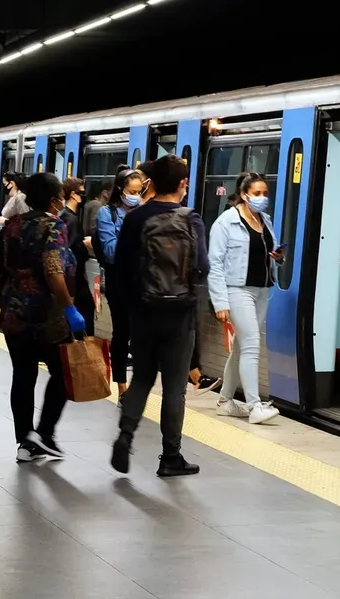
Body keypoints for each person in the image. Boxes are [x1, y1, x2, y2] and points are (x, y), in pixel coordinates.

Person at [108, 155, 207, 477]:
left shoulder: (136, 219)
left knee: (143, 378)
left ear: (152, 183)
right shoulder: (191, 219)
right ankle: (170, 457)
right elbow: (202, 268)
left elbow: (120, 268)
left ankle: (125, 435)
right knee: (175, 387)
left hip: (143, 312)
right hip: (179, 315)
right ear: (182, 184)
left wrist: (133, 306)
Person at [0, 172, 86, 463]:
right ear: (55, 199)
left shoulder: (13, 225)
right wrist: (69, 307)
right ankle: (43, 434)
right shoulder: (54, 226)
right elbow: (54, 270)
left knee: (24, 376)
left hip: (14, 313)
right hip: (46, 316)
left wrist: (18, 271)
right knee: (64, 373)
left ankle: (24, 442)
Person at [207, 172, 282, 425]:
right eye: (257, 193)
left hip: (263, 289)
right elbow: (214, 263)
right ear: (243, 194)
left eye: (265, 193)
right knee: (251, 344)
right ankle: (254, 406)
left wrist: (276, 258)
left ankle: (225, 401)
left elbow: (267, 249)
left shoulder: (265, 220)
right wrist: (220, 302)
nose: (262, 198)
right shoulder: (226, 222)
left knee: (241, 346)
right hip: (237, 289)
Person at [96, 166, 144, 399]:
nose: (135, 195)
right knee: (122, 332)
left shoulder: (144, 212)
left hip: (141, 280)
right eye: (131, 191)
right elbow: (110, 251)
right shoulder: (107, 214)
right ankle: (121, 387)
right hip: (118, 280)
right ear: (120, 190)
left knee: (141, 333)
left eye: (139, 191)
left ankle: (137, 385)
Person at [59, 176, 95, 334]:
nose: (84, 195)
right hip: (76, 280)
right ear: (73, 194)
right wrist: (85, 245)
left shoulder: (64, 216)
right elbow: (72, 250)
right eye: (82, 191)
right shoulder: (72, 220)